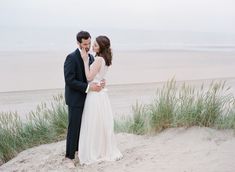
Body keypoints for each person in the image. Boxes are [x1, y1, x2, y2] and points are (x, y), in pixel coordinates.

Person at [78, 35, 123, 165]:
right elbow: (101, 77)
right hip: (102, 93)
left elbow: (88, 77)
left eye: (95, 45)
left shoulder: (97, 59)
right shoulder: (106, 59)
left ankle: (95, 150)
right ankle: (103, 149)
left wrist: (85, 61)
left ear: (101, 47)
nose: (92, 46)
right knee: (100, 123)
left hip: (95, 94)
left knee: (93, 123)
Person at [63, 31, 105, 168]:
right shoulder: (71, 57)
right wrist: (88, 87)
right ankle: (69, 157)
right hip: (75, 99)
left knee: (85, 127)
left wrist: (101, 83)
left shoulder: (92, 58)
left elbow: (94, 76)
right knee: (74, 127)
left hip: (89, 99)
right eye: (85, 44)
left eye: (89, 43)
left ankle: (81, 151)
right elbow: (69, 80)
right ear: (78, 43)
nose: (87, 46)